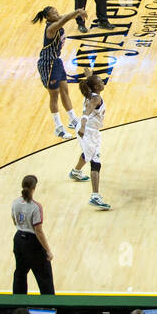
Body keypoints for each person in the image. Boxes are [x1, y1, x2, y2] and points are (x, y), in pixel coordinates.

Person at [31, 4, 85, 140]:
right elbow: (64, 20)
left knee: (65, 90)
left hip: (57, 61)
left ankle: (72, 120)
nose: (57, 14)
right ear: (48, 18)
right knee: (54, 95)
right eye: (53, 13)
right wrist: (77, 11)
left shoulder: (56, 20)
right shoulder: (51, 28)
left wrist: (77, 13)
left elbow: (64, 16)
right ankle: (58, 128)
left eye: (56, 11)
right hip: (48, 64)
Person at [67, 71, 110, 210]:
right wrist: (84, 126)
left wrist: (89, 74)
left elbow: (90, 81)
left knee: (88, 153)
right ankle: (95, 196)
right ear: (96, 87)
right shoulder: (96, 99)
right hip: (87, 131)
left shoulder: (90, 92)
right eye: (100, 82)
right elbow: (86, 112)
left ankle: (76, 172)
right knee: (96, 162)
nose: (103, 82)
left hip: (91, 131)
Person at [11, 174, 54, 295]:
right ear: (34, 188)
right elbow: (38, 231)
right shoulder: (36, 206)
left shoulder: (15, 203)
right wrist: (48, 250)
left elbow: (14, 220)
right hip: (32, 242)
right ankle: (49, 307)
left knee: (20, 273)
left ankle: (18, 307)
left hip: (18, 239)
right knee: (44, 277)